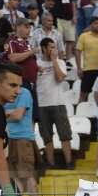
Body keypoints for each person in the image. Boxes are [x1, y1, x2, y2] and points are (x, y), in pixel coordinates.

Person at [35, 36, 73, 168]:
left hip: (58, 103)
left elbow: (61, 78)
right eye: (51, 47)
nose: (53, 50)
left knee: (65, 134)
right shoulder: (36, 64)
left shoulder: (60, 62)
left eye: (54, 47)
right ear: (43, 48)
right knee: (47, 137)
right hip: (41, 105)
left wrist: (54, 60)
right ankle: (50, 163)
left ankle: (69, 162)